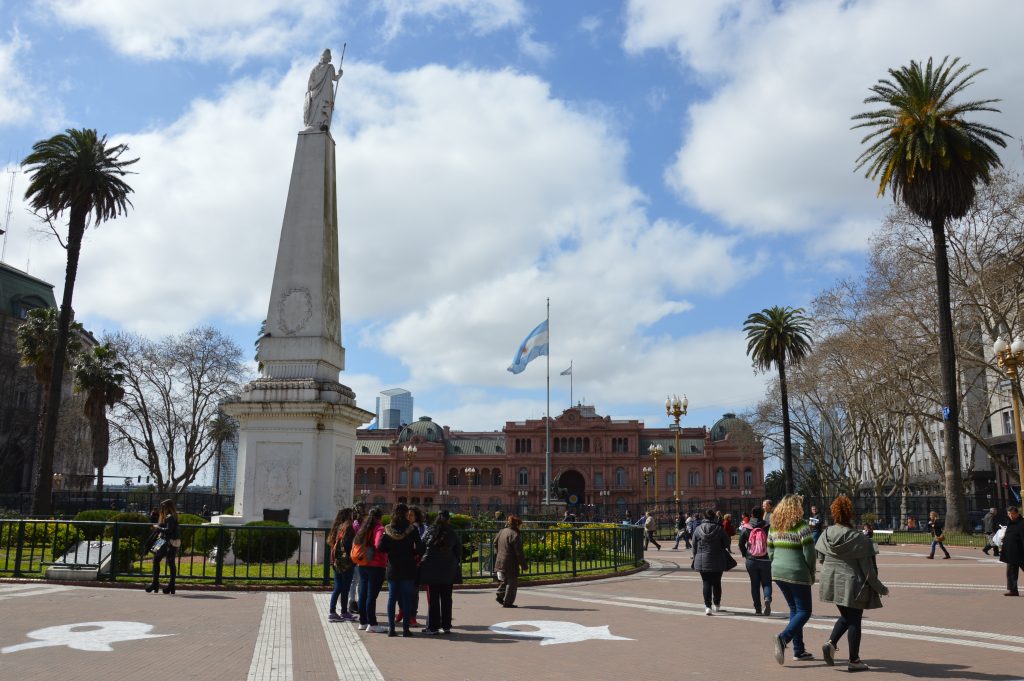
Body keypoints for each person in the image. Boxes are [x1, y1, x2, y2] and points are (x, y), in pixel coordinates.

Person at [817, 495, 888, 672]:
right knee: (855, 620)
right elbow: (868, 570)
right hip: (852, 584)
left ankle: (831, 643)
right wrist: (881, 588)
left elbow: (820, 558)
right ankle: (854, 660)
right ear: (850, 514)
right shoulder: (859, 538)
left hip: (831, 583)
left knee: (847, 617)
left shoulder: (826, 533)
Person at [768, 494, 816, 665]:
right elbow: (810, 553)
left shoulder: (774, 526)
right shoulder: (801, 526)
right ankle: (783, 638)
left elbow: (770, 549)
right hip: (796, 572)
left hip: (778, 572)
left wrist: (776, 563)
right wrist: (811, 571)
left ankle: (799, 650)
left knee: (795, 610)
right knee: (805, 611)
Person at [378, 503, 424, 637]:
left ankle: (392, 629)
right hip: (408, 566)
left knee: (392, 598)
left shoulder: (388, 529)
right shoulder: (411, 529)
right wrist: (414, 552)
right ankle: (405, 630)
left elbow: (380, 548)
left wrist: (391, 550)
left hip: (393, 567)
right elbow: (421, 547)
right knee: (407, 598)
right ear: (405, 513)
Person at [418, 510, 463, 634]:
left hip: (431, 569)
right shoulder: (452, 532)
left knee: (433, 599)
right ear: (449, 520)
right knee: (447, 598)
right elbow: (459, 551)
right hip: (448, 569)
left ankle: (433, 627)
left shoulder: (430, 531)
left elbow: (421, 547)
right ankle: (446, 625)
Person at [354, 507, 388, 633]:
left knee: (363, 593)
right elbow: (379, 544)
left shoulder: (364, 528)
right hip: (376, 564)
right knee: (371, 596)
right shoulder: (379, 528)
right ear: (380, 517)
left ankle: (363, 622)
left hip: (363, 564)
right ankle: (372, 624)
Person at [692, 508, 732, 615]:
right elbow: (727, 543)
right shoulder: (719, 529)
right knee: (717, 582)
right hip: (718, 559)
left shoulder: (698, 529)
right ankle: (717, 604)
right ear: (714, 517)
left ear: (704, 517)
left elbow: (694, 546)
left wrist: (695, 557)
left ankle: (707, 606)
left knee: (706, 582)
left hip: (702, 559)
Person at [739, 506, 772, 615]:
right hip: (765, 559)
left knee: (755, 584)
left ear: (752, 515)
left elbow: (740, 543)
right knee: (766, 582)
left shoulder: (746, 527)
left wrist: (745, 553)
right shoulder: (767, 526)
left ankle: (758, 609)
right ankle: (767, 598)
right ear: (762, 514)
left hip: (751, 559)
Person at [327, 508, 357, 621]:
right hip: (346, 562)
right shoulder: (349, 527)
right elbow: (348, 545)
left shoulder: (338, 527)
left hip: (335, 561)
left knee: (339, 586)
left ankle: (334, 611)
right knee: (344, 587)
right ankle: (339, 612)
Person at [303, 48, 343, 131]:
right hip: (319, 91)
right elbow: (310, 83)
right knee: (316, 107)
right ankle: (314, 124)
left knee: (323, 106)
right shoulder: (317, 69)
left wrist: (339, 75)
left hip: (325, 90)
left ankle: (323, 123)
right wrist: (340, 75)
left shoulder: (329, 67)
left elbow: (333, 78)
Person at [146, 498, 180, 595]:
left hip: (167, 541)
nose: (161, 509)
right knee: (168, 562)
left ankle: (156, 584)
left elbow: (169, 530)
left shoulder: (170, 517)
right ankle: (169, 586)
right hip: (166, 541)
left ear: (167, 507)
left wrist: (158, 527)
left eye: (163, 507)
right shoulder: (172, 516)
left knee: (160, 561)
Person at [494, 515, 529, 607]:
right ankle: (508, 603)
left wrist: (499, 552)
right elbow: (519, 553)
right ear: (517, 525)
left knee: (505, 579)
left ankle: (500, 595)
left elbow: (495, 542)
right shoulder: (515, 535)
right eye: (520, 525)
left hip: (500, 560)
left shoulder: (502, 531)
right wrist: (524, 565)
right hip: (510, 562)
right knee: (512, 582)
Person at [1000, 506, 1023, 596]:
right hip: (1011, 553)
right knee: (1011, 572)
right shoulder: (1010, 523)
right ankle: (1013, 590)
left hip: (1020, 552)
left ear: (1017, 513)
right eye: (1009, 514)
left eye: (1012, 513)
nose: (1010, 515)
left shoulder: (1021, 523)